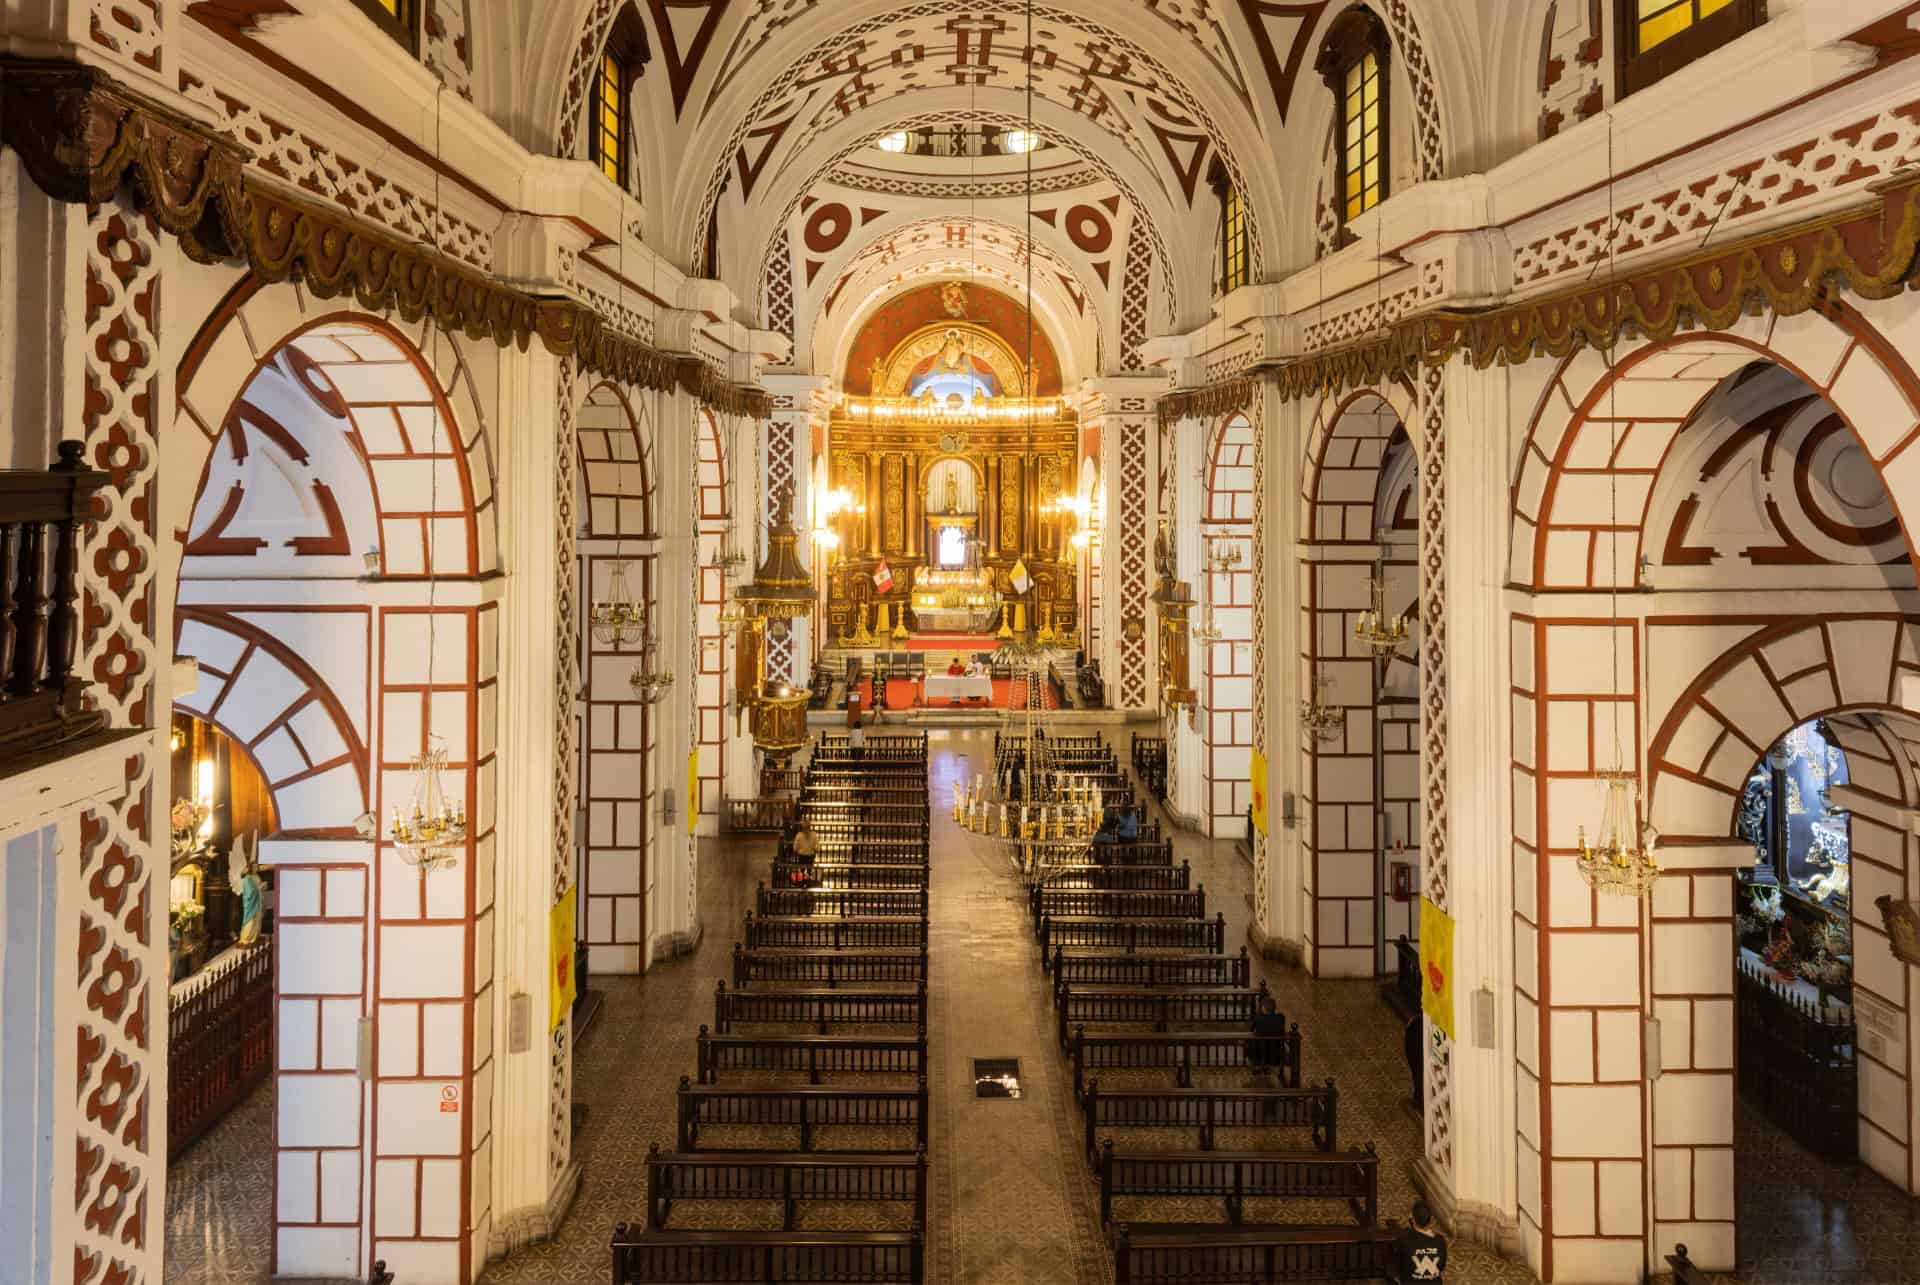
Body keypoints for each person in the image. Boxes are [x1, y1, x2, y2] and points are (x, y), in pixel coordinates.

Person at [1395, 1201, 1447, 1281]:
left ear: (1412, 1219)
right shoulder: (1440, 1241)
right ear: (1430, 1219)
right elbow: (1441, 1266)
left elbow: (1398, 1266)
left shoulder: (1404, 1241)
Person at [1247, 993, 1287, 1081]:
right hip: (1276, 1053)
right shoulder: (1281, 1018)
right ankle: (1275, 1070)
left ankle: (1257, 1066)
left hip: (1260, 1054)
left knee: (1250, 1042)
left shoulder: (1258, 1018)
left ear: (1263, 1009)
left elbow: (1250, 1030)